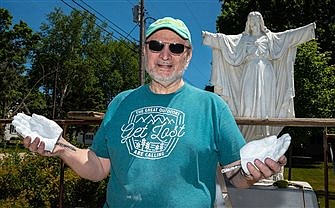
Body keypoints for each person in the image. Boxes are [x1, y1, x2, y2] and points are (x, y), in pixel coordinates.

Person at [21, 17, 286, 208]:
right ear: (145, 51)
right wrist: (60, 147)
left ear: (188, 55)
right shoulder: (121, 102)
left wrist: (252, 173)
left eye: (176, 47)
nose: (165, 55)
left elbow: (234, 177)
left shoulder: (212, 106)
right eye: (156, 45)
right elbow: (99, 167)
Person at [202, 11, 315, 141]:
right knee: (247, 102)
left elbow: (289, 36)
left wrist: (308, 30)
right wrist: (208, 37)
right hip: (249, 72)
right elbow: (226, 41)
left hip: (267, 72)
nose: (254, 24)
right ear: (248, 24)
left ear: (261, 22)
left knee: (266, 102)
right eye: (251, 21)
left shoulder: (270, 38)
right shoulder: (242, 39)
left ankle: (266, 134)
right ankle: (247, 136)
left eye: (256, 20)